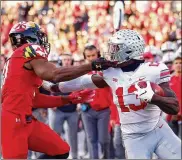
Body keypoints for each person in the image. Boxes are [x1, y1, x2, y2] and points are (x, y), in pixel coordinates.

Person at [48, 29, 181, 159]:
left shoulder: (154, 70)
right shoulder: (110, 73)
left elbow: (174, 108)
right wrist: (53, 87)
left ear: (129, 51)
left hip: (158, 129)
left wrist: (154, 98)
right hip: (133, 137)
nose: (111, 52)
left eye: (116, 48)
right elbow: (80, 82)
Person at [1, 21, 115, 159]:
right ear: (29, 38)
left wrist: (67, 99)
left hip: (26, 120)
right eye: (38, 35)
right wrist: (91, 66)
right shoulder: (27, 51)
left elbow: (35, 99)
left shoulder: (17, 61)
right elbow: (55, 75)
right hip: (13, 122)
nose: (42, 40)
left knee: (61, 150)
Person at [48, 53, 79, 159]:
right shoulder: (56, 72)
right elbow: (50, 88)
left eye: (68, 59)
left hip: (72, 109)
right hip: (58, 109)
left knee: (73, 135)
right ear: (61, 61)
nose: (66, 61)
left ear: (72, 61)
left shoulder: (76, 73)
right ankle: (56, 155)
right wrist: (52, 102)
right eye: (64, 59)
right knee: (55, 134)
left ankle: (74, 156)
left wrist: (79, 103)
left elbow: (80, 88)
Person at [168, 55, 182, 139]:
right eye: (176, 63)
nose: (178, 65)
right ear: (173, 66)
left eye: (181, 63)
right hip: (172, 115)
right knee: (174, 140)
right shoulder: (169, 80)